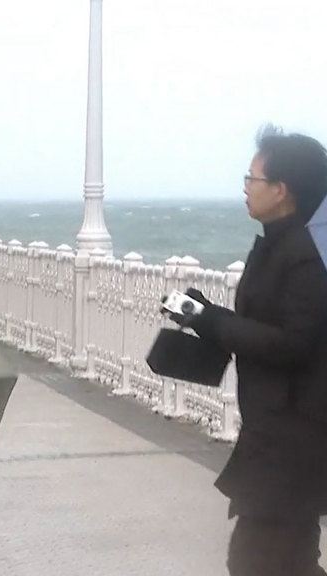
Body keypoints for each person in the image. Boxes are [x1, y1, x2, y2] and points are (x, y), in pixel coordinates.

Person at [175, 125, 327, 575]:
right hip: (274, 430)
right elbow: (266, 326)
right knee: (287, 559)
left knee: (260, 559)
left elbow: (293, 343)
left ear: (281, 191)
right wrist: (204, 314)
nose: (245, 187)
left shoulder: (306, 255)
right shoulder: (281, 244)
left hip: (295, 438)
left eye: (252, 178)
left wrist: (213, 322)